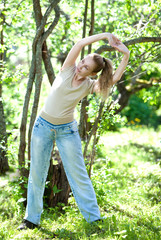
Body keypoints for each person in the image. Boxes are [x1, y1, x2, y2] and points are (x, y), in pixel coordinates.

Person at [18, 32, 130, 230]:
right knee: (37, 173)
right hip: (43, 126)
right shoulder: (67, 69)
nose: (81, 65)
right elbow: (80, 43)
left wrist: (125, 55)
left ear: (92, 74)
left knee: (78, 174)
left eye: (86, 66)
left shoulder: (89, 85)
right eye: (83, 61)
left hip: (66, 131)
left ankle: (94, 219)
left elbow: (113, 80)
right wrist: (107, 36)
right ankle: (31, 220)